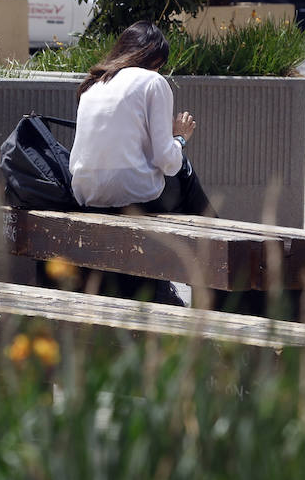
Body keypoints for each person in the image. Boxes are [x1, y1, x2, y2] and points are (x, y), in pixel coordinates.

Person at [66, 21, 213, 304]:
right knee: (184, 170)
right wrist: (180, 139)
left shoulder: (93, 84)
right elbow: (166, 161)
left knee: (178, 167)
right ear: (154, 58)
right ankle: (218, 248)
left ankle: (175, 281)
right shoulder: (153, 82)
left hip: (88, 194)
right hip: (132, 196)